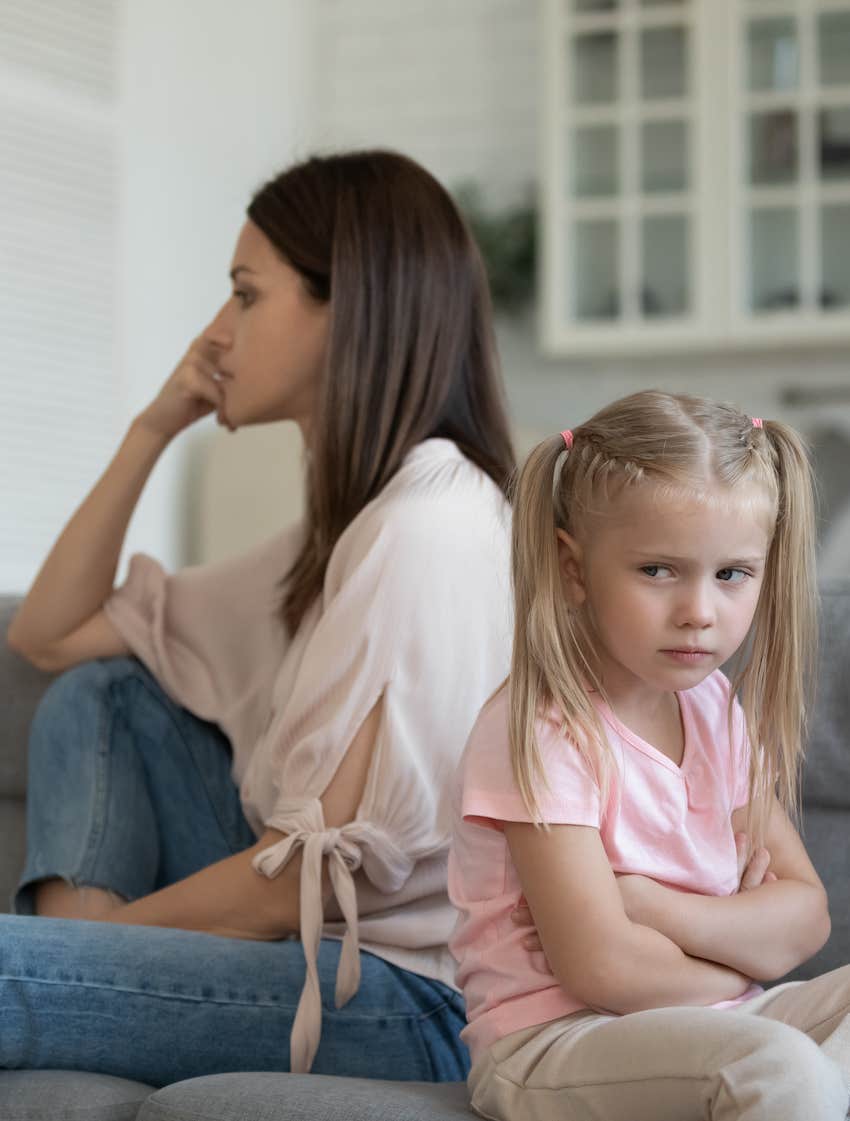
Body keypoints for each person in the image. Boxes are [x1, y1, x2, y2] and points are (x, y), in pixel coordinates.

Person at [3, 149, 516, 1088]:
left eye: (244, 294)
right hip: (330, 948)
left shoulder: (428, 528)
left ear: (345, 309)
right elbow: (48, 635)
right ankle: (75, 995)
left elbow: (315, 877)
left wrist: (102, 948)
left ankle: (70, 984)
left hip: (411, 998)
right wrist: (154, 425)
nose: (216, 332)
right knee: (103, 694)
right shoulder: (341, 533)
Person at [449, 389, 850, 1121]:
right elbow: (601, 965)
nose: (700, 609)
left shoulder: (713, 710)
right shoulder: (539, 727)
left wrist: (649, 905)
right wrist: (742, 947)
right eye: (659, 570)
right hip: (556, 1040)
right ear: (574, 569)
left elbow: (808, 919)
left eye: (731, 574)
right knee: (779, 1063)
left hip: (720, 1018)